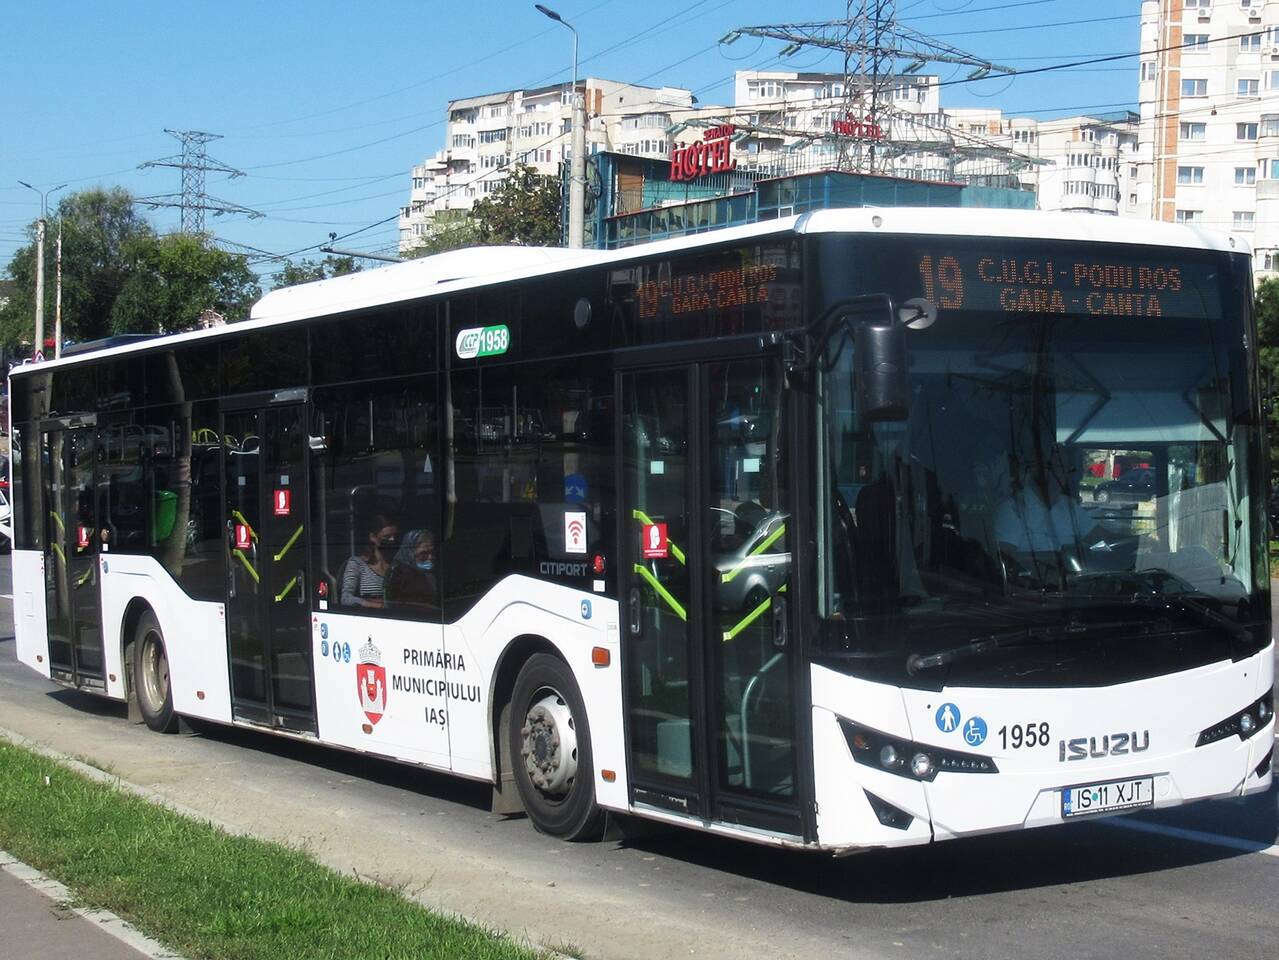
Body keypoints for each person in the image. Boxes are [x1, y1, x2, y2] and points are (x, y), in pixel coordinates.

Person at [341, 515, 397, 609]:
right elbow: (346, 598)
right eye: (387, 537)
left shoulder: (396, 565)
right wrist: (377, 606)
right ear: (373, 537)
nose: (393, 540)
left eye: (394, 536)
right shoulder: (357, 563)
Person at [385, 528, 439, 610]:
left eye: (432, 552)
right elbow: (396, 605)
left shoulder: (431, 572)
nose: (430, 557)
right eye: (423, 553)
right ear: (410, 552)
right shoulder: (398, 574)